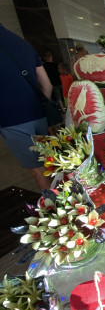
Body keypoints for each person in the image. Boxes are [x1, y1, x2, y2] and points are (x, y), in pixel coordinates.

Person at [0, 24, 53, 190]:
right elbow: (47, 86)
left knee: (39, 171)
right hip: (39, 115)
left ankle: (55, 204)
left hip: (11, 119)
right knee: (52, 164)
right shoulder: (22, 43)